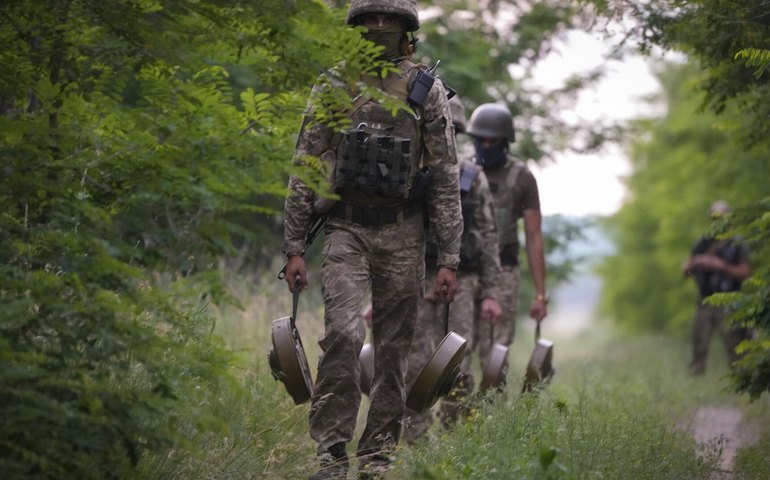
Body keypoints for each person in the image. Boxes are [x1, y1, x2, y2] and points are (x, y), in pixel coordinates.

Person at [281, 0, 463, 478]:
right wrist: (294, 247)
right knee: (342, 332)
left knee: (394, 350)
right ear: (357, 25)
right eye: (370, 17)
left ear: (405, 25)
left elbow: (444, 176)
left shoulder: (428, 91)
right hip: (347, 229)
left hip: (404, 233)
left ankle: (378, 453)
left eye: (388, 17)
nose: (379, 25)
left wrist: (449, 257)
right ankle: (331, 451)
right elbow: (305, 165)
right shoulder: (334, 85)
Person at [401, 96, 503, 442]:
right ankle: (414, 439)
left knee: (457, 364)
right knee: (413, 360)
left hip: (463, 282)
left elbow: (489, 238)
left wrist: (490, 293)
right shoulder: (410, 172)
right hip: (417, 275)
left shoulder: (473, 178)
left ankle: (455, 438)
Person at [465, 103, 548, 366]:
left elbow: (534, 237)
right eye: (481, 140)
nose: (486, 146)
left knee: (496, 350)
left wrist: (540, 295)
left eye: (493, 141)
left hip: (504, 270)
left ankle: (491, 406)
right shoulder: (462, 171)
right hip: (466, 270)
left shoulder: (521, 177)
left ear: (504, 142)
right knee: (459, 347)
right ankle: (456, 408)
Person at [682, 200, 752, 375]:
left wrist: (720, 265)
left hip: (730, 301)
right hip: (705, 299)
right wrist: (696, 264)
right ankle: (696, 377)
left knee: (735, 344)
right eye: (715, 217)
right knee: (699, 342)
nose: (718, 221)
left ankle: (740, 378)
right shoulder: (702, 243)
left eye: (722, 217)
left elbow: (745, 272)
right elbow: (686, 272)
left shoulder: (737, 243)